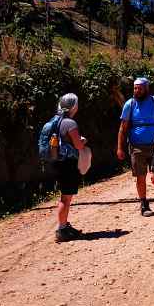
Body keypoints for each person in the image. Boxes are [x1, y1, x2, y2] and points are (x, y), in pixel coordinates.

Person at [117, 77, 154, 216]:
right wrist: (120, 148)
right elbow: (123, 127)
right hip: (136, 146)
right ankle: (144, 204)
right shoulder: (130, 104)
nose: (137, 91)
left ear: (146, 88)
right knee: (140, 176)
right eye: (135, 88)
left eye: (139, 88)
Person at [53, 93, 89, 242]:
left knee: (65, 196)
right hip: (68, 163)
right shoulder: (70, 123)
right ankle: (61, 230)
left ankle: (65, 226)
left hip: (59, 161)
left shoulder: (56, 121)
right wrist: (84, 140)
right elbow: (78, 144)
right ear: (73, 106)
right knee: (66, 198)